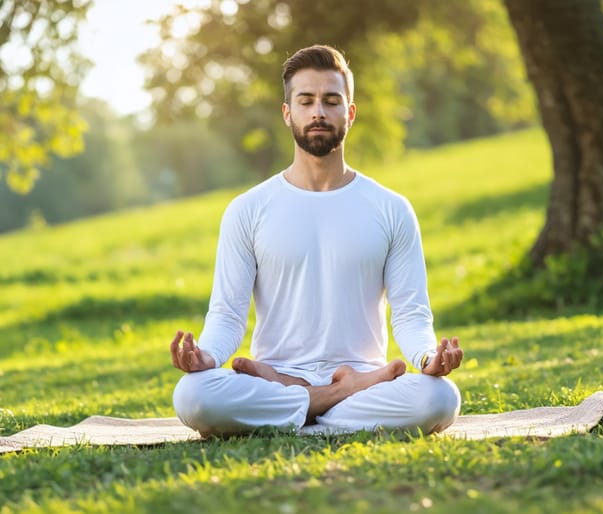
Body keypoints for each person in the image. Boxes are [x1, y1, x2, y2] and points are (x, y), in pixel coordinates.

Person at [170, 44, 463, 436]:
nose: (319, 112)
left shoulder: (391, 208)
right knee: (193, 395)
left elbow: (410, 314)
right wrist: (206, 356)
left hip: (357, 382)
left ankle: (303, 405)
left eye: (331, 101)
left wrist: (427, 357)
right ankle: (329, 402)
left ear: (350, 112)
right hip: (276, 377)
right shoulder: (248, 209)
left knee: (440, 399)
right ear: (287, 112)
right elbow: (227, 315)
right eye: (306, 101)